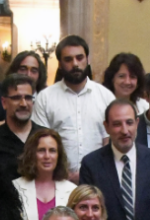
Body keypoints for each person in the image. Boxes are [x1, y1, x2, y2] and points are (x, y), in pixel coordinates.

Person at [79, 100, 150, 220]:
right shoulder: (91, 164)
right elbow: (89, 211)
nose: (125, 130)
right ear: (106, 126)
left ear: (137, 123)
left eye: (129, 123)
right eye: (116, 124)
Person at [32, 36, 116, 176]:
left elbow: (110, 140)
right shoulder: (45, 98)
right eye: (68, 59)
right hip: (58, 179)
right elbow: (40, 143)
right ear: (59, 64)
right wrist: (64, 175)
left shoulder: (105, 96)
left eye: (80, 57)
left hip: (98, 178)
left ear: (87, 60)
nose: (75, 64)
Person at [12, 129, 74, 220]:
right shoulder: (14, 188)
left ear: (59, 155)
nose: (47, 156)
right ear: (32, 154)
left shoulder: (72, 191)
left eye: (52, 150)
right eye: (41, 150)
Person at [0, 74, 46, 184]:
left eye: (28, 98)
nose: (23, 104)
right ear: (4, 103)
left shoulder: (45, 137)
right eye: (16, 98)